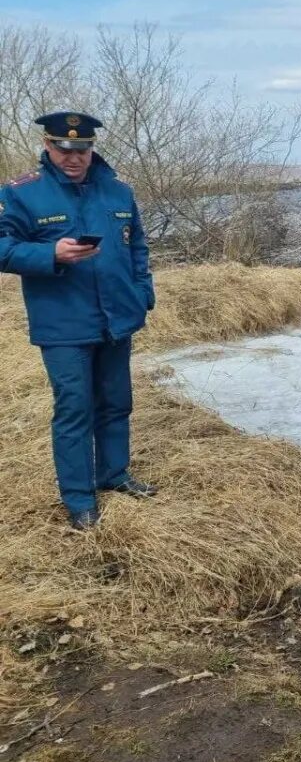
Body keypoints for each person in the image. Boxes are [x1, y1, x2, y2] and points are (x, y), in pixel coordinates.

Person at [0, 112, 157, 530]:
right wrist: (49, 255)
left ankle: (114, 474)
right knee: (74, 409)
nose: (73, 157)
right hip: (63, 324)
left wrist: (143, 294)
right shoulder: (23, 194)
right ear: (48, 147)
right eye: (63, 149)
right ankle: (79, 499)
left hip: (117, 318)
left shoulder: (118, 191)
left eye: (82, 150)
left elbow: (137, 246)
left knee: (116, 403)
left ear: (92, 150)